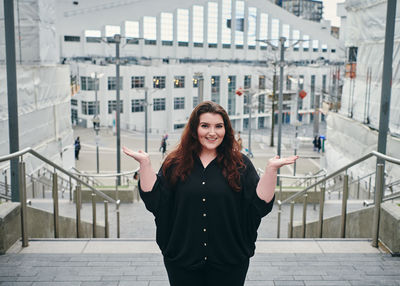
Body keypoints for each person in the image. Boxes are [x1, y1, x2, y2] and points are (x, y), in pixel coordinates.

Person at [122, 101, 298, 286]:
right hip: (183, 260)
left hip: (229, 261)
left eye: (218, 126)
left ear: (226, 130)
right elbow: (155, 201)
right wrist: (145, 165)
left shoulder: (241, 164)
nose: (212, 133)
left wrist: (271, 170)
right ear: (194, 129)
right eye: (205, 126)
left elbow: (259, 205)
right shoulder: (175, 162)